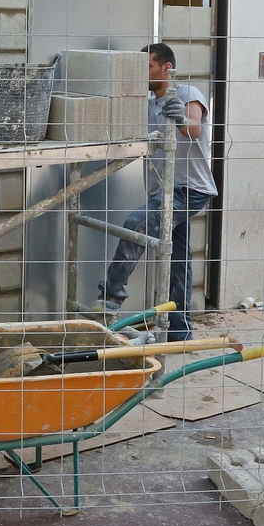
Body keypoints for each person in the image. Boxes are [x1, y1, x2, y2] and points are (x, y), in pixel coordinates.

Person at [94, 42, 216, 340]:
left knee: (136, 223)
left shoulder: (187, 94)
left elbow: (194, 128)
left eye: (147, 66)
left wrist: (181, 118)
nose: (142, 72)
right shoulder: (149, 104)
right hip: (163, 191)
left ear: (166, 68)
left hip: (189, 189)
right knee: (178, 260)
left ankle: (111, 297)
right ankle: (180, 331)